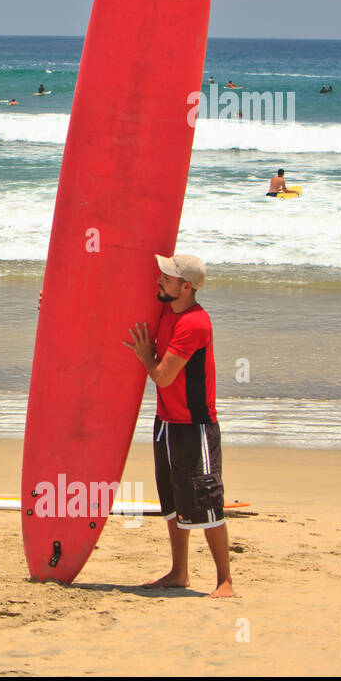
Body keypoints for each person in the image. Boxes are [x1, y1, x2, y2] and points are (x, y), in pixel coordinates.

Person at [122, 254, 235, 598]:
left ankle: (224, 580)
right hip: (166, 424)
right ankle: (179, 572)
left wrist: (145, 355)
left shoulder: (195, 323)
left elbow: (163, 376)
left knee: (206, 501)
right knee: (171, 501)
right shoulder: (167, 312)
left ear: (187, 287)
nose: (160, 280)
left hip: (194, 427)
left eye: (168, 278)